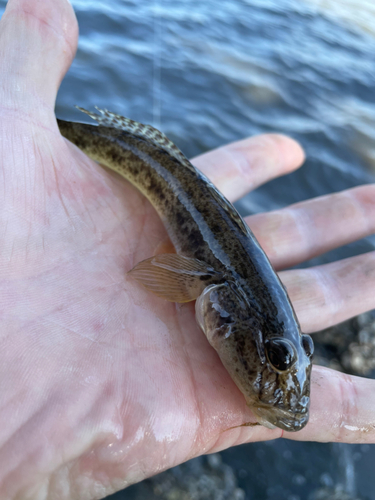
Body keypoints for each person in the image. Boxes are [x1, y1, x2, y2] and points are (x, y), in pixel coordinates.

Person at [0, 0, 374, 498]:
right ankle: (67, 135)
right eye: (279, 356)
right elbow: (159, 274)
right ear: (229, 309)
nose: (289, 391)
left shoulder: (230, 303)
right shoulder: (217, 293)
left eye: (293, 354)